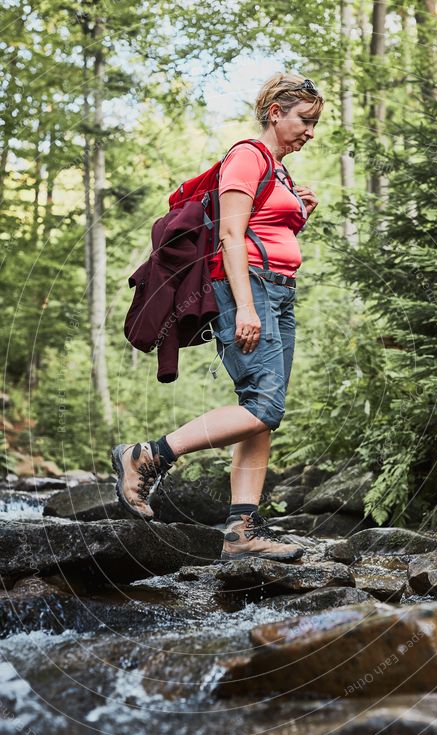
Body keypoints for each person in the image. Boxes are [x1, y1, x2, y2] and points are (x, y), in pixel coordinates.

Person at [111, 71, 324, 561]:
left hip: (279, 291)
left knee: (259, 418)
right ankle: (147, 455)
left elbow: (263, 233)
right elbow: (230, 237)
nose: (310, 131)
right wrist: (246, 305)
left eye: (314, 123)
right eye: (305, 120)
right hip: (249, 290)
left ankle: (240, 533)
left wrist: (300, 213)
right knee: (264, 406)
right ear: (276, 112)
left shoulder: (278, 168)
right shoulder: (247, 157)